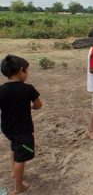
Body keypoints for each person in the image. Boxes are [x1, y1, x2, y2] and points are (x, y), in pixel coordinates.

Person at [0, 55, 42, 194]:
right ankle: (18, 186)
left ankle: (14, 173)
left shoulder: (2, 90)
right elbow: (38, 105)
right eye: (27, 71)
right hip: (23, 130)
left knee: (14, 148)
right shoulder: (28, 89)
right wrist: (30, 107)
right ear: (22, 70)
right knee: (21, 157)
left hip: (7, 129)